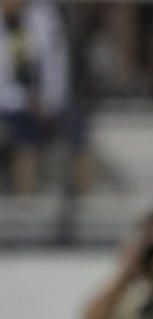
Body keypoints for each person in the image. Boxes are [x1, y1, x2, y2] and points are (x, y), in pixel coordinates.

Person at [0, 0, 92, 193]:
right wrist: (24, 102)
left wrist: (48, 101)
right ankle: (27, 197)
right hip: (10, 102)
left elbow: (55, 65)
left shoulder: (42, 13)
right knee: (23, 129)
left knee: (78, 122)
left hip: (40, 99)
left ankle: (83, 198)